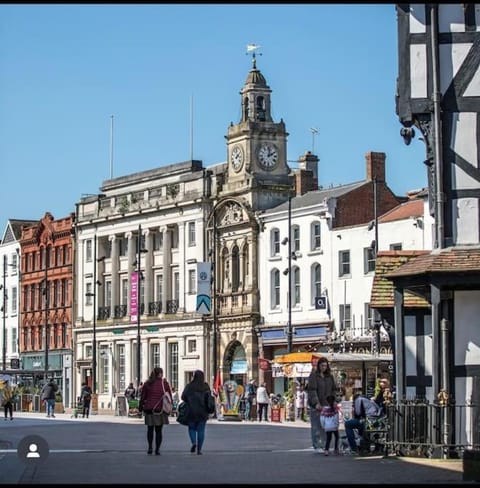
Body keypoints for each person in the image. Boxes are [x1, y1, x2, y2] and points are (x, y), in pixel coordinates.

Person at [139, 367, 172, 455]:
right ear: (161, 374)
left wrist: (140, 407)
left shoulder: (147, 383)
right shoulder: (164, 383)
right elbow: (169, 396)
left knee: (150, 429)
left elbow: (143, 397)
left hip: (149, 409)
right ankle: (157, 449)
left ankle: (150, 447)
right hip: (160, 409)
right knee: (159, 430)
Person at [307, 357, 336, 453]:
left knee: (326, 426)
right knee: (316, 426)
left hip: (327, 404)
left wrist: (334, 401)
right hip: (317, 405)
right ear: (319, 365)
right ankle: (316, 445)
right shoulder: (314, 375)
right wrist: (316, 403)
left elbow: (333, 390)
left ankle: (325, 445)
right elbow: (312, 390)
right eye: (322, 365)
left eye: (325, 366)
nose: (323, 367)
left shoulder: (330, 377)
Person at [181, 369, 212, 455]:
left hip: (191, 410)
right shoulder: (206, 386)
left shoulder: (189, 386)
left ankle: (194, 442)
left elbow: (183, 397)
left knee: (191, 428)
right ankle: (199, 449)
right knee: (201, 430)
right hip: (203, 411)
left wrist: (189, 400)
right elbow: (209, 398)